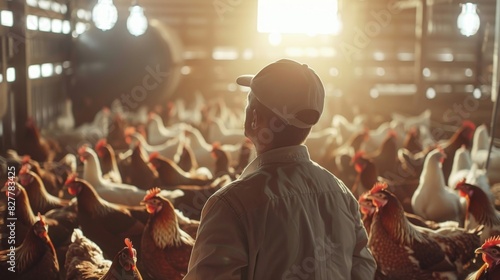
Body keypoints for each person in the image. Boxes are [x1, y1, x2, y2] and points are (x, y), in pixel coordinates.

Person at [183, 59, 376, 280]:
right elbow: (363, 268)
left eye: (249, 102)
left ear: (255, 118)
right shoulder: (342, 195)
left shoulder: (231, 205)